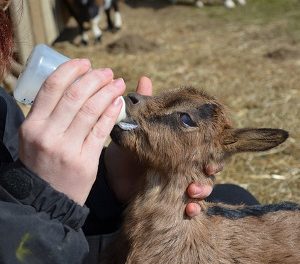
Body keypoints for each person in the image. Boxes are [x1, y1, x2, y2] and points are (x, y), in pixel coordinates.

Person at [0, 2, 259, 263]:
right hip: (33, 243)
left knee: (235, 199)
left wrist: (108, 184)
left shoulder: (2, 105)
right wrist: (43, 200)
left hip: (44, 227)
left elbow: (8, 171)